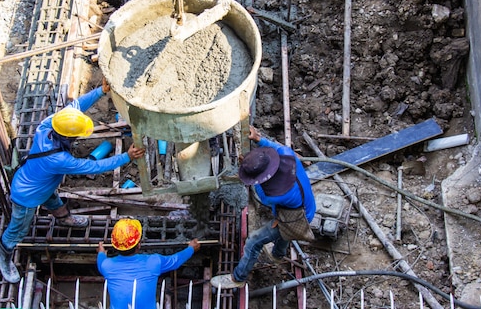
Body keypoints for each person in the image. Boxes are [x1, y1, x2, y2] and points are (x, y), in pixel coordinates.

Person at [0, 80, 146, 284]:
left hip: (40, 183)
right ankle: (3, 257)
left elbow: (76, 106)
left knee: (52, 199)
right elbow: (94, 167)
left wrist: (100, 91)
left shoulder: (48, 125)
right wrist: (126, 157)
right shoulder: (59, 160)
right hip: (26, 197)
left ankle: (64, 218)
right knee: (18, 229)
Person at [210, 125, 316, 289]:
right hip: (308, 205)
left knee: (253, 241)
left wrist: (245, 172)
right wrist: (259, 139)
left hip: (297, 218)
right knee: (284, 233)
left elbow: (256, 185)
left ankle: (237, 278)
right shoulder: (288, 155)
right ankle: (278, 255)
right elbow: (275, 148)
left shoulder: (274, 195)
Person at [96, 218, 201, 309]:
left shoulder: (106, 266)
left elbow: (101, 260)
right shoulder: (153, 262)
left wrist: (101, 253)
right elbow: (175, 261)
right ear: (139, 245)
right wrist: (191, 249)